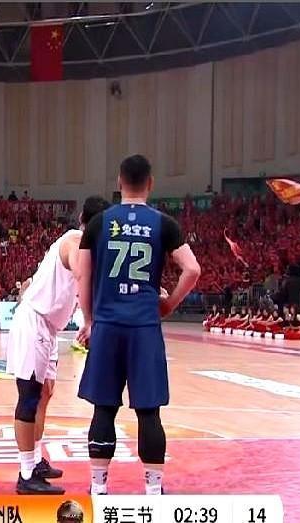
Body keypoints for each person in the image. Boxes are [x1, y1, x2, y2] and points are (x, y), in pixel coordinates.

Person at [76, 154, 200, 495]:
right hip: (144, 327)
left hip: (108, 326)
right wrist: (169, 304)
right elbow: (192, 269)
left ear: (119, 182)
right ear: (151, 183)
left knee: (104, 408)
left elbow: (83, 276)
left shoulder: (99, 223)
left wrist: (89, 320)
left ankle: (98, 489)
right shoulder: (164, 224)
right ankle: (154, 491)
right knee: (148, 411)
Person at [7, 195, 110, 495]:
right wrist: (89, 321)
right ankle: (26, 474)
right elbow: (81, 274)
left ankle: (36, 460)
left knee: (45, 394)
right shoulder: (75, 240)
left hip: (49, 327)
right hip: (35, 321)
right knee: (29, 396)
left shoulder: (85, 246)